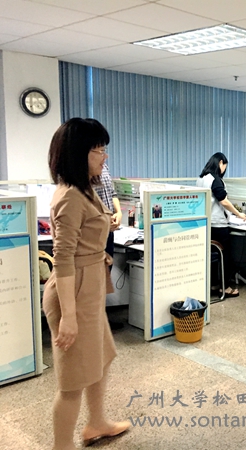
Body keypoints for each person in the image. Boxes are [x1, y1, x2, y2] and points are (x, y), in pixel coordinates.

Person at [43, 118, 130, 450]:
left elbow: (86, 233)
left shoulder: (85, 189)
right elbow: (63, 258)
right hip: (74, 294)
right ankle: (61, 446)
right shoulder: (70, 197)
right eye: (98, 150)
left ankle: (96, 423)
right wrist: (68, 317)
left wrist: (104, 226)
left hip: (89, 289)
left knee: (101, 359)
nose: (104, 157)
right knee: (72, 383)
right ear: (78, 153)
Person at [197, 152, 246, 298]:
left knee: (212, 256)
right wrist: (239, 214)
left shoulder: (201, 179)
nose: (225, 169)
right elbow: (223, 201)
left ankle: (213, 284)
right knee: (226, 256)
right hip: (218, 224)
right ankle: (225, 288)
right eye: (225, 166)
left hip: (206, 224)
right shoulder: (215, 179)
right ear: (220, 163)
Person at [94, 162, 123, 330]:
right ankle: (93, 323)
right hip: (94, 231)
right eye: (99, 150)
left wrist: (118, 213)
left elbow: (112, 193)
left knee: (105, 274)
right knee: (93, 279)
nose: (104, 155)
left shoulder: (103, 166)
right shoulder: (79, 167)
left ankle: (100, 320)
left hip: (108, 230)